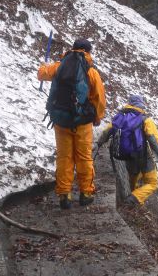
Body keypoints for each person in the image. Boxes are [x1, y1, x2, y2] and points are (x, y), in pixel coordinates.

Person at [38, 39, 106, 209]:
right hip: (82, 122)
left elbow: (42, 74)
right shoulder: (90, 70)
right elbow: (99, 98)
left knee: (64, 157)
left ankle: (64, 195)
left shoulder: (60, 65)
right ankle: (86, 193)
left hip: (61, 120)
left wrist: (43, 65)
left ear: (73, 48)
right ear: (88, 51)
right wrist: (97, 117)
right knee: (83, 157)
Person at [97, 95, 158, 205]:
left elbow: (107, 132)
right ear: (141, 104)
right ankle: (132, 200)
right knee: (153, 183)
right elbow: (153, 139)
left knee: (133, 182)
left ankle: (134, 203)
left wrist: (98, 144)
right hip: (143, 156)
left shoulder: (120, 118)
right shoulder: (145, 120)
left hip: (128, 156)